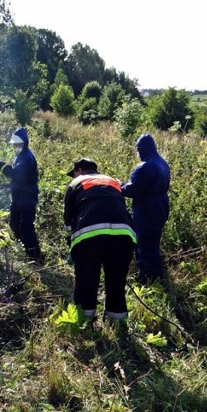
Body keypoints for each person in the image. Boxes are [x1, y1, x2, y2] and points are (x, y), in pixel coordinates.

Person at [64, 158, 136, 321]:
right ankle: (118, 324)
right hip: (124, 235)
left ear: (80, 170)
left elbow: (68, 222)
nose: (73, 177)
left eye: (73, 173)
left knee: (86, 281)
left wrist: (71, 248)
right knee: (116, 283)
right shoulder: (112, 182)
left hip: (89, 236)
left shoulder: (75, 184)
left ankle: (85, 323)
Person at [121, 133, 171, 284]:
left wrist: (120, 185)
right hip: (161, 206)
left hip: (146, 209)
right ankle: (156, 274)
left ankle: (146, 276)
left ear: (142, 149)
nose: (138, 154)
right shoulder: (163, 163)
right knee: (153, 242)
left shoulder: (145, 167)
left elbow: (133, 190)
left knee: (143, 243)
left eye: (138, 150)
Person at [0, 127, 41, 262]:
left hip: (27, 197)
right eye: (14, 144)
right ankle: (22, 248)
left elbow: (16, 174)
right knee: (14, 223)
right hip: (19, 197)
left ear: (24, 143)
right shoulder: (19, 156)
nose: (16, 146)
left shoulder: (26, 157)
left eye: (18, 144)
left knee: (26, 225)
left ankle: (34, 256)